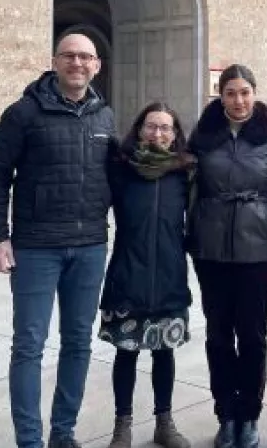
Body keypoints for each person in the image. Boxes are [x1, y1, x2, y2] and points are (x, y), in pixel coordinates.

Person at [0, 32, 116, 448]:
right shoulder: (22, 114)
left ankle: (63, 433)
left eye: (85, 57)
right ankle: (30, 441)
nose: (77, 63)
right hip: (37, 248)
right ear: (55, 62)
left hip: (91, 246)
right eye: (69, 56)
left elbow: (118, 178)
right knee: (29, 346)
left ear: (97, 66)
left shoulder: (105, 116)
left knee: (78, 343)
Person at [188, 64, 267, 448]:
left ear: (255, 93)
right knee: (218, 336)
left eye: (245, 92)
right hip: (211, 251)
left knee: (252, 336)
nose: (238, 100)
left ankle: (249, 414)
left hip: (257, 251)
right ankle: (225, 413)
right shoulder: (203, 137)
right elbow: (189, 190)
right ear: (221, 95)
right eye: (231, 93)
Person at [99, 103, 197, 448]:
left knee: (164, 352)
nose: (158, 133)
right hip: (128, 275)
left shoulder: (183, 173)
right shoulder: (121, 169)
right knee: (126, 353)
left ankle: (164, 422)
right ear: (139, 130)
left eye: (165, 128)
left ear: (175, 136)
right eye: (151, 126)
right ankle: (121, 426)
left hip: (169, 276)